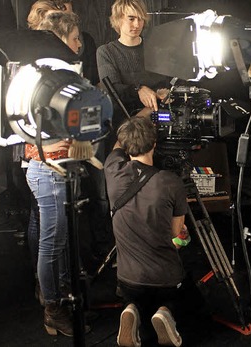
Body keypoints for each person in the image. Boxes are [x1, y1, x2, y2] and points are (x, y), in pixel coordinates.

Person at [24, 10, 86, 337]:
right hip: (48, 170)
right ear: (60, 39)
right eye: (75, 39)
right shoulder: (48, 77)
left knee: (59, 242)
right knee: (52, 243)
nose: (79, 46)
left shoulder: (51, 75)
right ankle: (53, 308)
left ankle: (58, 296)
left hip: (53, 167)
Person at [104, 116, 189, 347]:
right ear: (154, 144)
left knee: (135, 296)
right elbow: (175, 234)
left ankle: (131, 309)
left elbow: (117, 147)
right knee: (185, 296)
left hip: (127, 278)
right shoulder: (170, 182)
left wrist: (129, 130)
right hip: (164, 278)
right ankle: (165, 312)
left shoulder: (112, 170)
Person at [96, 0, 171, 133]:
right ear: (118, 19)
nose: (137, 24)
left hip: (160, 125)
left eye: (140, 19)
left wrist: (167, 93)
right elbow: (112, 89)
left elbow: (169, 82)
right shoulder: (106, 52)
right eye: (131, 19)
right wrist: (139, 89)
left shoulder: (155, 48)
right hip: (125, 128)